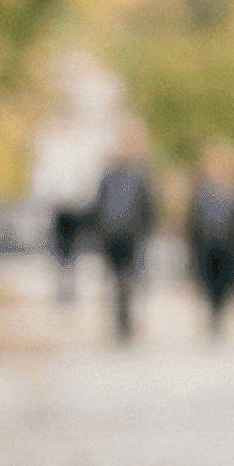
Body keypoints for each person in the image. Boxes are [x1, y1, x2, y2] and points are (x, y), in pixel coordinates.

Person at [92, 145, 155, 345]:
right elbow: (99, 204)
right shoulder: (110, 173)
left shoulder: (142, 173)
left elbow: (149, 205)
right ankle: (119, 324)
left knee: (128, 280)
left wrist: (147, 231)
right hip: (111, 234)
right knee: (116, 280)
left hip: (133, 235)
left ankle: (126, 324)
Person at [188, 142, 234, 340]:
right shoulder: (201, 191)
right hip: (206, 246)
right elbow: (194, 222)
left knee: (224, 284)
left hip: (228, 247)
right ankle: (212, 317)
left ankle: (220, 317)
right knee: (208, 283)